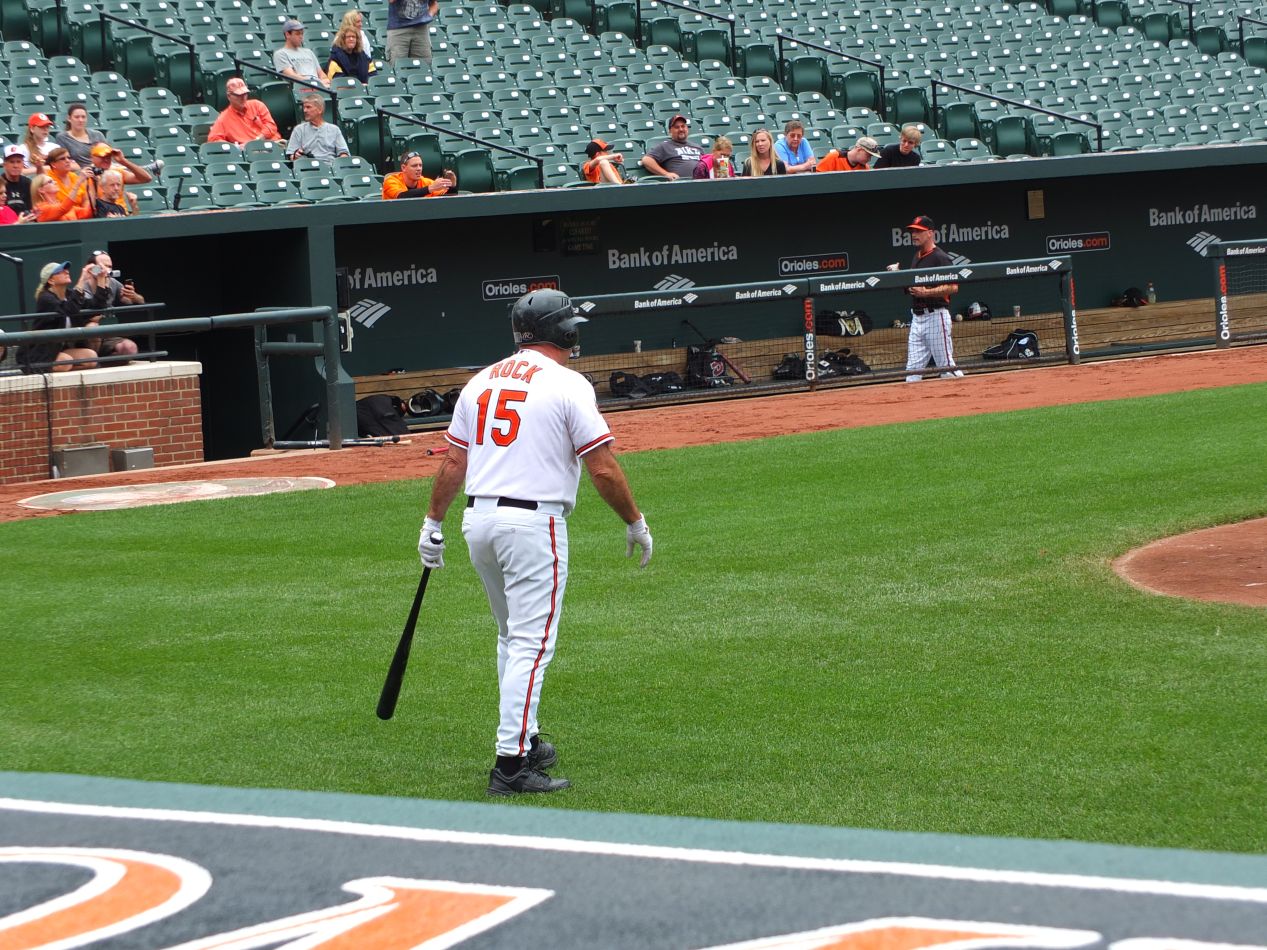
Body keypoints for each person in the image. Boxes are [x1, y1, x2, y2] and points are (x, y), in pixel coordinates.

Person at [417, 288, 653, 796]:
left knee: (511, 637)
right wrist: (634, 520)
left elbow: (454, 461)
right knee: (531, 642)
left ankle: (524, 740)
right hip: (532, 525)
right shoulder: (568, 385)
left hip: (478, 522)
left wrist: (432, 522)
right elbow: (604, 466)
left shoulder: (481, 380)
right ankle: (510, 765)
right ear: (562, 333)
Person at [887, 215, 962, 382]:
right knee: (912, 374)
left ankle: (970, 401)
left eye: (918, 231)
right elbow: (913, 287)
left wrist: (927, 292)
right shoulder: (917, 256)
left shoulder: (940, 257)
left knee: (947, 369)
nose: (914, 235)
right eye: (913, 231)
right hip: (917, 318)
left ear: (930, 233)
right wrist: (899, 276)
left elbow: (953, 287)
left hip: (936, 316)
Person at [18, 261, 112, 373]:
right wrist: (82, 279)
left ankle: (67, 368)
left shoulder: (69, 295)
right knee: (65, 362)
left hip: (62, 348)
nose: (66, 271)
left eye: (66, 270)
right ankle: (39, 368)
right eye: (61, 271)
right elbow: (69, 309)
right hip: (43, 351)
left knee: (91, 357)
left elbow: (97, 306)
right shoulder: (46, 298)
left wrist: (101, 279)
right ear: (51, 280)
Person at [207, 77, 284, 146]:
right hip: (250, 153)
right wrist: (235, 147)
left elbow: (271, 126)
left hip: (274, 144)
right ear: (229, 96)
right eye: (238, 95)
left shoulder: (257, 105)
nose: (243, 97)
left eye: (245, 94)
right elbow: (213, 140)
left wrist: (258, 139)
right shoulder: (223, 118)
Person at [287, 94, 351, 163]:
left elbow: (344, 153)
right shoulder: (299, 129)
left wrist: (340, 164)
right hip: (308, 168)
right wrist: (295, 156)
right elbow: (291, 156)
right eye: (304, 107)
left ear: (320, 109)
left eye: (308, 107)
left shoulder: (334, 129)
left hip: (330, 167)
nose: (305, 110)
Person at [639, 114, 703, 180]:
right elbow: (646, 160)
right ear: (670, 131)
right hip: (680, 184)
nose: (681, 129)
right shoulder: (665, 146)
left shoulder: (697, 147)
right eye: (676, 127)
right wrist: (666, 174)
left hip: (701, 183)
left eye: (683, 126)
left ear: (687, 128)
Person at [275, 19, 332, 88]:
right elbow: (291, 76)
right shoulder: (281, 54)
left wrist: (324, 81)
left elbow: (321, 74)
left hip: (319, 87)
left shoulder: (309, 52)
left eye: (302, 33)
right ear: (287, 35)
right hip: (301, 88)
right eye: (297, 34)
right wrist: (316, 82)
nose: (301, 36)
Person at [36, 150, 92, 219]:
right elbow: (64, 208)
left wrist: (93, 181)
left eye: (69, 158)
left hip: (77, 216)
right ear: (53, 164)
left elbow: (87, 207)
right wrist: (39, 167)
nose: (68, 161)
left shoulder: (74, 177)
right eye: (62, 159)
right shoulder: (49, 177)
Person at [381, 150, 452, 198]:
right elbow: (402, 196)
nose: (419, 168)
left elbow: (445, 195)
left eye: (420, 165)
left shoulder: (425, 182)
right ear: (403, 168)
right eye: (414, 166)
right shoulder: (391, 181)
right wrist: (430, 188)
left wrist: (452, 185)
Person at [55, 103, 107, 168]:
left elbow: (107, 156)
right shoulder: (62, 138)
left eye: (83, 117)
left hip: (102, 169)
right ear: (69, 118)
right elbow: (63, 160)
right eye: (77, 117)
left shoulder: (98, 135)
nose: (80, 120)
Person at [386, 0, 438, 64]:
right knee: (397, 64)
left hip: (421, 29)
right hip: (398, 29)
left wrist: (429, 16)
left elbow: (433, 4)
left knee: (424, 65)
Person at [85, 142, 154, 188]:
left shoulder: (117, 172)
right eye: (102, 156)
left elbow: (146, 178)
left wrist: (123, 161)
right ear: (92, 158)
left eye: (108, 156)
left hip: (119, 209)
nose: (106, 159)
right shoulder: (85, 174)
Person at [3, 145, 34, 218]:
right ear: (5, 164)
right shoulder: (0, 183)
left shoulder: (28, 183)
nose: (15, 165)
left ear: (23, 164)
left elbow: (32, 208)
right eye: (12, 162)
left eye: (18, 162)